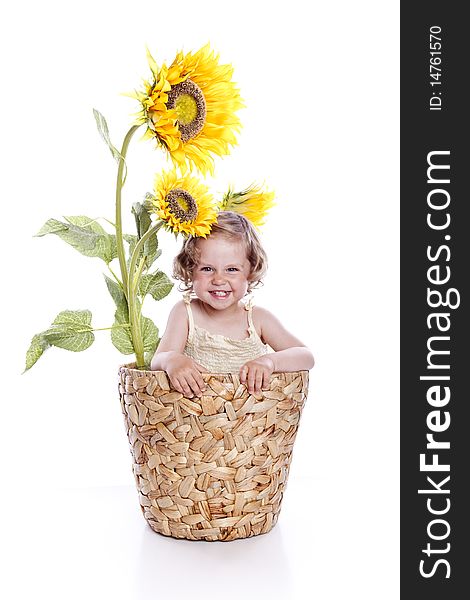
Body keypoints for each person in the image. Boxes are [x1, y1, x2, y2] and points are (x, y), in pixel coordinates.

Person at [151, 211, 314, 397]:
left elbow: (305, 356)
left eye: (232, 269)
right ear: (190, 269)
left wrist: (269, 362)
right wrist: (171, 360)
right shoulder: (185, 313)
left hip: (251, 419)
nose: (219, 279)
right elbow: (157, 360)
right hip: (194, 419)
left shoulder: (258, 319)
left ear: (250, 272)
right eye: (207, 268)